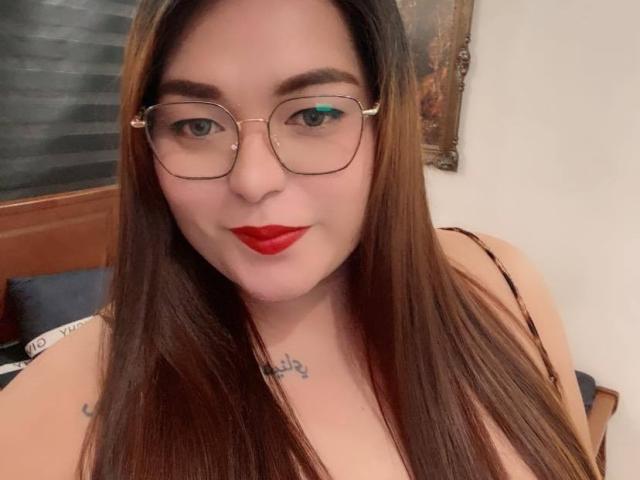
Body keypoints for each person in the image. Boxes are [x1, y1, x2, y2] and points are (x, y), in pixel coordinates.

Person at [0, 1, 601, 479]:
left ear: (387, 121)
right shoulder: (46, 418)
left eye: (314, 115)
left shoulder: (503, 280)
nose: (253, 180)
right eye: (197, 125)